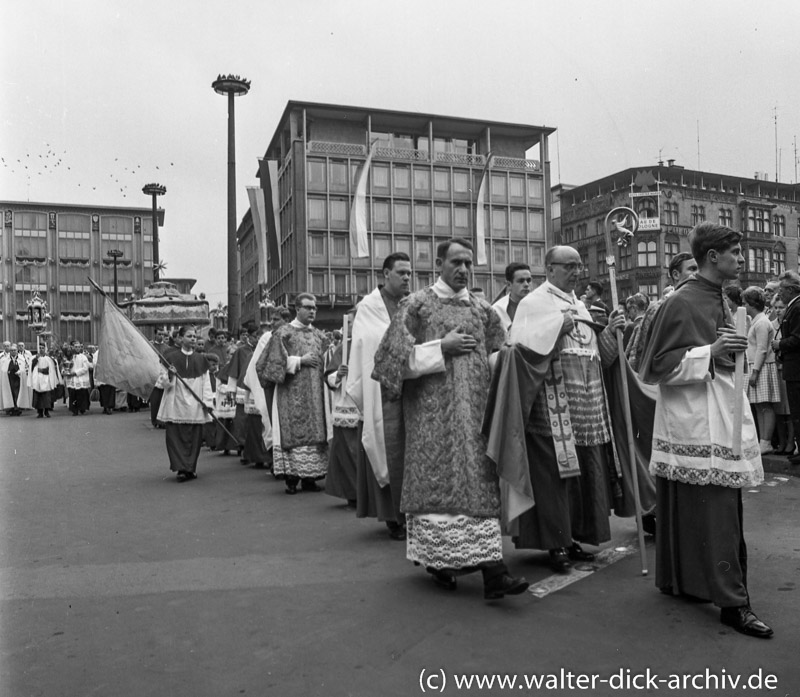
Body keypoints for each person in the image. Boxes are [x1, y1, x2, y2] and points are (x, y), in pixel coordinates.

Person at [373, 238, 529, 600]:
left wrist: (508, 359)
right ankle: (439, 561)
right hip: (432, 418)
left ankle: (494, 573)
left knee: (479, 484)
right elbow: (388, 363)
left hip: (475, 415)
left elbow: (495, 356)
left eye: (468, 263)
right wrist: (440, 348)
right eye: (456, 262)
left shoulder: (483, 309)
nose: (463, 269)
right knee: (437, 482)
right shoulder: (417, 306)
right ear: (440, 263)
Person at [640, 221, 772, 639]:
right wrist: (710, 352)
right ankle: (734, 603)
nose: (741, 259)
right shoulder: (679, 302)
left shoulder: (720, 296)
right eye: (734, 252)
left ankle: (684, 580)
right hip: (697, 420)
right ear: (712, 257)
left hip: (718, 410)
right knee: (718, 514)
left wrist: (727, 354)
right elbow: (655, 366)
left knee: (707, 506)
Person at [502, 245, 645, 573]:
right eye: (569, 266)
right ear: (549, 268)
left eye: (579, 266)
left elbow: (599, 358)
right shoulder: (532, 304)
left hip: (588, 408)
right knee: (555, 479)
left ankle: (575, 536)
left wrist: (611, 332)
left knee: (583, 479)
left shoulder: (579, 305)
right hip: (552, 410)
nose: (576, 272)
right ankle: (556, 543)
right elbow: (521, 356)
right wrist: (556, 329)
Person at [347, 252, 413, 540]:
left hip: (411, 387)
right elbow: (367, 345)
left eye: (410, 273)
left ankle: (413, 512)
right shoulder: (370, 308)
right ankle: (392, 517)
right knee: (389, 449)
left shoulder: (413, 304)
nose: (407, 278)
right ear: (385, 275)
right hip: (381, 391)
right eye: (401, 273)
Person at [260, 293, 329, 495]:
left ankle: (310, 478)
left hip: (315, 394)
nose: (312, 311)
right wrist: (299, 361)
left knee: (316, 431)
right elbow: (270, 363)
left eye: (314, 308)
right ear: (297, 309)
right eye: (308, 307)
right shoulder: (283, 333)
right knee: (292, 431)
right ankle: (292, 479)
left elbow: (327, 360)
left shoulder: (319, 335)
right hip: (291, 393)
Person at [155, 325, 214, 482]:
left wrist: (208, 402)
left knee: (194, 438)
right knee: (175, 437)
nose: (193, 339)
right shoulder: (170, 358)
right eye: (189, 336)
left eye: (194, 336)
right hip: (176, 404)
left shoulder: (201, 360)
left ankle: (190, 468)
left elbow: (206, 383)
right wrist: (170, 375)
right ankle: (181, 468)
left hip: (195, 405)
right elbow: (162, 384)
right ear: (180, 339)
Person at [323, 307, 360, 508]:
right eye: (350, 323)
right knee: (348, 452)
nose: (352, 327)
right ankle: (352, 492)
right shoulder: (343, 348)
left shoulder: (372, 344)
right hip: (347, 405)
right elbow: (328, 377)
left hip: (368, 405)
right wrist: (338, 374)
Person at [743, 286, 779, 455]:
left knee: (765, 406)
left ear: (751, 304)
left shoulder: (762, 322)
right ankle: (762, 440)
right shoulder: (757, 321)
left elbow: (762, 349)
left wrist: (755, 371)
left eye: (745, 303)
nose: (744, 306)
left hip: (762, 367)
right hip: (757, 366)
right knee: (758, 406)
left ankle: (766, 441)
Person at [773, 270, 800, 465]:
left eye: (782, 289)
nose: (779, 292)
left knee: (798, 410)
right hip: (793, 367)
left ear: (791, 289)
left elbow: (797, 339)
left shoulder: (797, 308)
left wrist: (779, 345)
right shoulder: (794, 306)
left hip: (796, 368)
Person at [771, 296, 795, 454]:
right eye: (776, 307)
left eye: (781, 307)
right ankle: (781, 441)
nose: (778, 310)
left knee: (790, 409)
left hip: (788, 368)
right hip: (775, 368)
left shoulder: (791, 325)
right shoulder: (772, 325)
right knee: (778, 408)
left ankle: (791, 442)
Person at [492, 262, 533, 330]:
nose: (526, 284)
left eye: (528, 280)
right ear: (509, 285)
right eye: (521, 281)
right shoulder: (497, 310)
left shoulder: (540, 305)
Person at [29, 343, 61, 417]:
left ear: (45, 349)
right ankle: (40, 412)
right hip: (38, 378)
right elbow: (32, 367)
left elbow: (53, 367)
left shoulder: (48, 358)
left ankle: (46, 411)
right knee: (38, 396)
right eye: (39, 348)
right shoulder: (34, 358)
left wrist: (45, 370)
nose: (41, 349)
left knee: (46, 397)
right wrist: (36, 359)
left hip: (46, 378)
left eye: (42, 348)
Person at [0, 344, 31, 415]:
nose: (13, 352)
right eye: (11, 350)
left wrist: (21, 372)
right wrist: (7, 371)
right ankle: (11, 408)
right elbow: (3, 369)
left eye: (14, 350)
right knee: (11, 393)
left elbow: (26, 368)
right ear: (10, 352)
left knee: (17, 393)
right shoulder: (5, 360)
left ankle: (17, 407)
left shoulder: (22, 359)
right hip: (9, 379)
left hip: (18, 379)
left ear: (17, 351)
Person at [623, 292, 650, 369]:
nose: (628, 315)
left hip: (636, 370)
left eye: (629, 310)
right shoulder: (653, 324)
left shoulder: (631, 328)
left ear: (634, 309)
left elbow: (625, 355)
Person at [64, 341, 91, 415]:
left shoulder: (83, 357)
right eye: (75, 347)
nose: (77, 348)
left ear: (80, 348)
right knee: (73, 395)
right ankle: (74, 410)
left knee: (81, 394)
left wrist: (76, 372)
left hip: (81, 378)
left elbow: (85, 368)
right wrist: (66, 372)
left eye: (78, 347)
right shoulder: (70, 357)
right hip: (72, 379)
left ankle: (82, 408)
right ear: (73, 347)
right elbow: (65, 366)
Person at [149, 327, 169, 427]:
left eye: (163, 334)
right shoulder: (151, 346)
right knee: (155, 400)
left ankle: (162, 421)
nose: (161, 336)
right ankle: (155, 420)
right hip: (154, 374)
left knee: (163, 399)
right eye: (159, 334)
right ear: (155, 334)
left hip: (164, 374)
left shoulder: (167, 348)